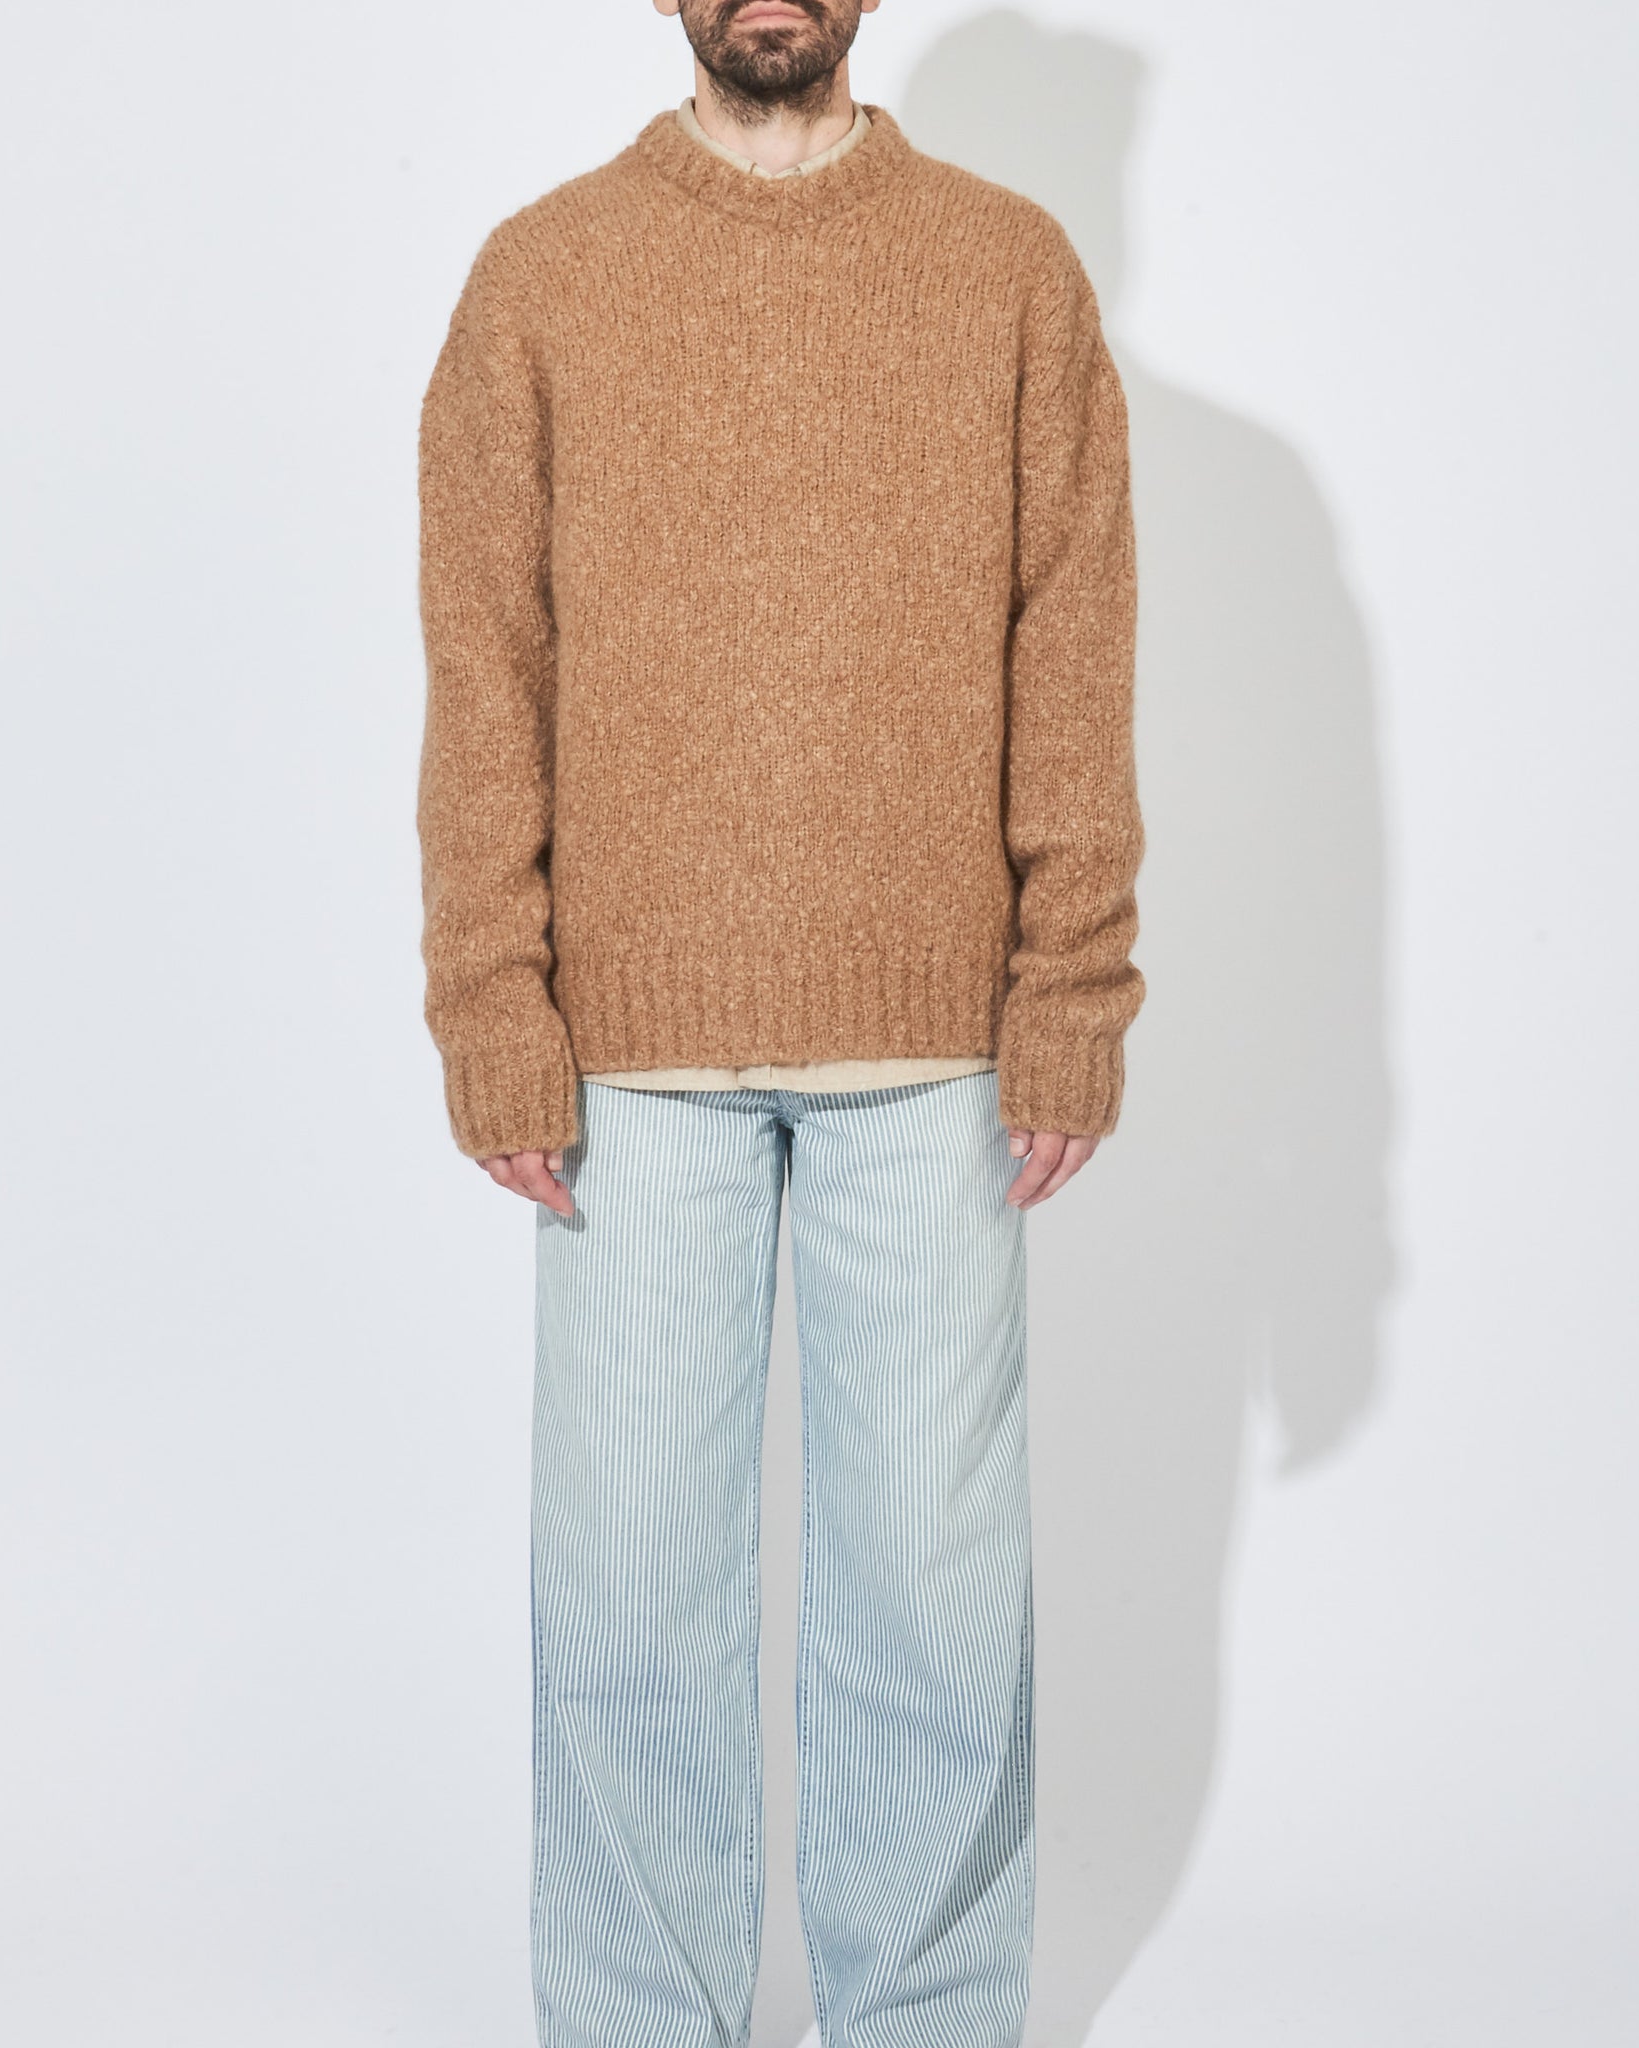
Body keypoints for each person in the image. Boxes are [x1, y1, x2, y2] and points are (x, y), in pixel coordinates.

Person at [414, 1, 1143, 2038]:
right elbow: (483, 663)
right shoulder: (541, 276)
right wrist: (491, 1000)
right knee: (630, 1609)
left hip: (937, 1048)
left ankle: (926, 2020)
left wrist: (1072, 989)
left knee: (932, 1607)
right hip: (625, 1061)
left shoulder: (1007, 272)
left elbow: (1075, 643)